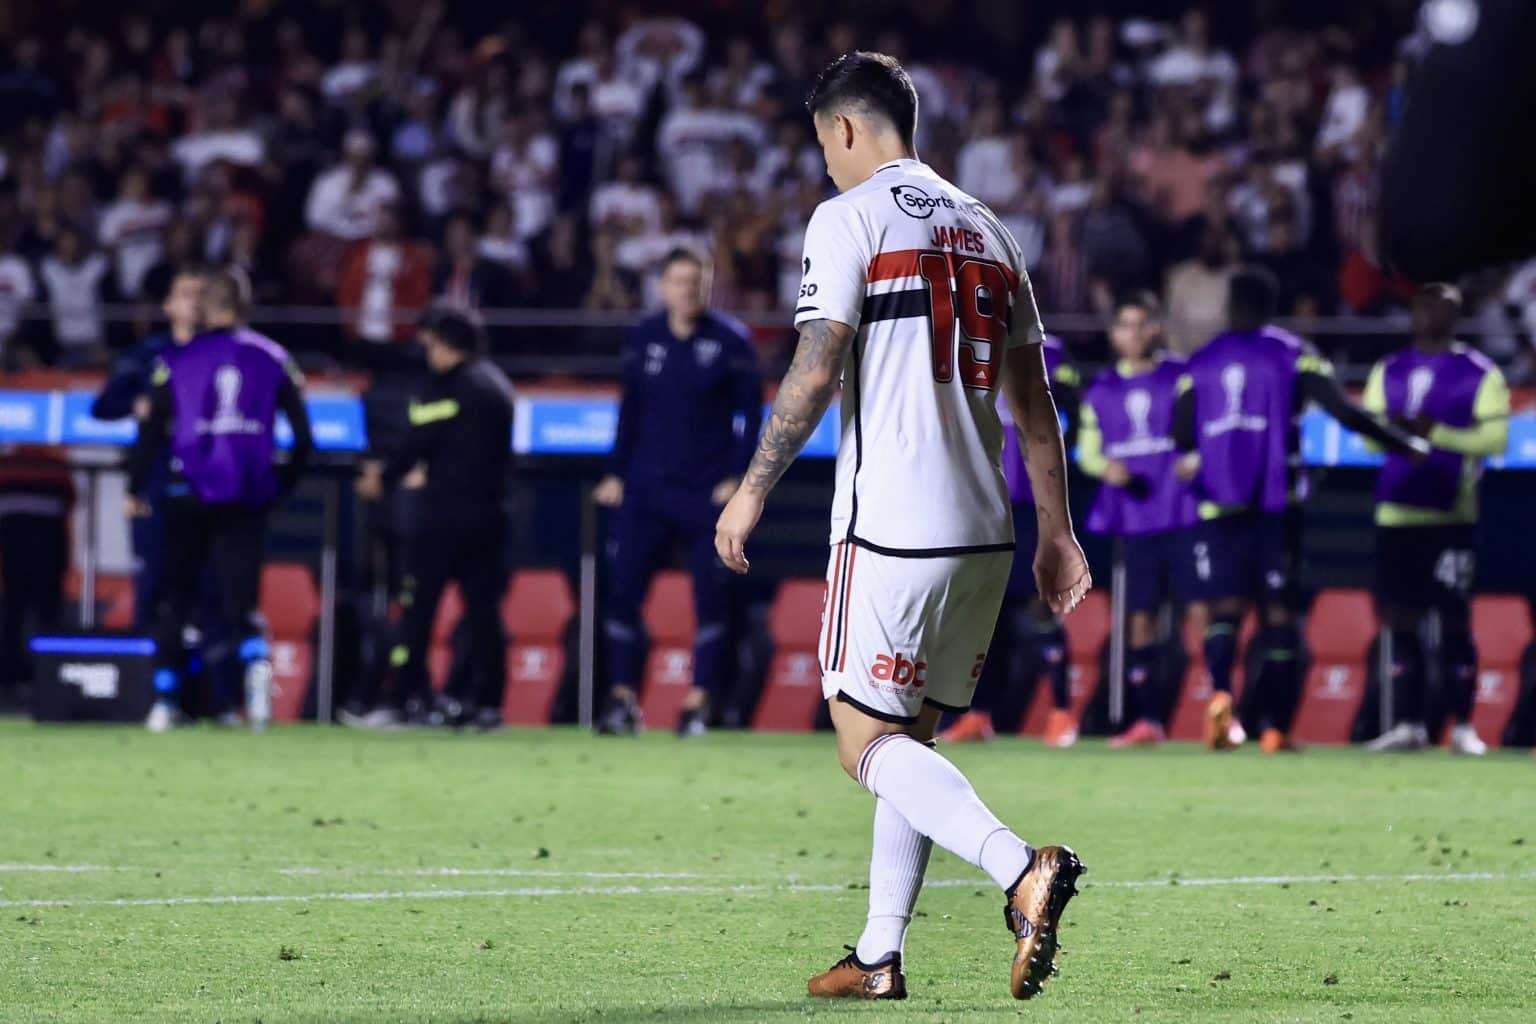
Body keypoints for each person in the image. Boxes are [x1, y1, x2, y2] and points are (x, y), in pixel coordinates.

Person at [714, 52, 1091, 1002]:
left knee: (859, 743)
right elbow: (1034, 400)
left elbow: (815, 363)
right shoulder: (990, 228)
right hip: (985, 528)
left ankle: (1018, 868)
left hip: (890, 525)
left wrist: (755, 485)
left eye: (822, 146)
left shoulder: (849, 217)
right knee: (906, 744)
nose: (826, 165)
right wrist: (1058, 532)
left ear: (844, 129)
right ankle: (879, 955)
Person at [1173, 267, 1428, 754]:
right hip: (1275, 502)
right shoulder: (1292, 354)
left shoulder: (1199, 361)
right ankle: (1275, 728)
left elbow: (1181, 433)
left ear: (1229, 306)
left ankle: (1223, 706)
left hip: (1217, 502)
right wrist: (1403, 444)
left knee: (1224, 610)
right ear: (1271, 307)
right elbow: (1344, 412)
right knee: (1279, 615)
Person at [125, 267, 314, 732]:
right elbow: (306, 439)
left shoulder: (175, 361)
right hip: (246, 495)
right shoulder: (274, 358)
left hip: (186, 491)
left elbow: (151, 434)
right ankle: (256, 691)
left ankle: (165, 702)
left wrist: (132, 486)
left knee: (176, 598)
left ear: (207, 307)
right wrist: (279, 484)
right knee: (240, 602)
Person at [594, 247, 761, 737]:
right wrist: (615, 473)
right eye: (679, 281)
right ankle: (623, 700)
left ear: (707, 286)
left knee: (710, 598)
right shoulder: (643, 337)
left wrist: (740, 479)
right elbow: (629, 412)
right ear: (662, 286)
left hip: (704, 493)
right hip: (645, 488)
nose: (688, 290)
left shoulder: (731, 341)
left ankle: (698, 704)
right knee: (623, 592)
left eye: (697, 281)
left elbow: (750, 417)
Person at [345, 307, 515, 730]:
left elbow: (416, 442)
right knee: (482, 617)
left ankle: (402, 701)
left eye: (431, 344)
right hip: (489, 518)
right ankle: (485, 704)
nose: (427, 353)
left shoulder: (449, 387)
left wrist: (383, 477)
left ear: (447, 344)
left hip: (443, 519)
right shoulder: (497, 384)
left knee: (418, 612)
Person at [1362, 284, 1509, 755]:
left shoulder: (1479, 373)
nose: (1429, 314)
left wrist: (1438, 433)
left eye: (1440, 307)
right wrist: (1397, 435)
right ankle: (1408, 723)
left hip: (1451, 513)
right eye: (1422, 305)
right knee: (1399, 616)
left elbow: (1496, 441)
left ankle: (1463, 726)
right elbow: (1368, 439)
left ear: (1455, 314)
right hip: (1397, 511)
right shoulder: (1389, 369)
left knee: (1453, 618)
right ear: (1410, 313)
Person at [941, 334, 1080, 746]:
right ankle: (977, 716)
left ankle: (1061, 715)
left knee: (1040, 605)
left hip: (1030, 501)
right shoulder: (958, 345)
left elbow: (1074, 413)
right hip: (976, 501)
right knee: (983, 613)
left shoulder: (1050, 351)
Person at [1076, 292, 1199, 748]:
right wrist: (1105, 468)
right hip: (1135, 518)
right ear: (1114, 335)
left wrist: (1197, 460)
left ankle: (1223, 713)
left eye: (1141, 324)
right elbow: (1087, 451)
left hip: (1183, 511)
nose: (1134, 333)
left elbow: (1203, 428)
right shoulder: (1103, 389)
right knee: (1140, 620)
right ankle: (1149, 721)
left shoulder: (1181, 376)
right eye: (1125, 325)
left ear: (1156, 329)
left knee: (1202, 612)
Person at [91, 267, 204, 628]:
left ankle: (195, 676)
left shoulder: (220, 353)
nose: (195, 302)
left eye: (201, 294)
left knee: (200, 585)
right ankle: (146, 670)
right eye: (186, 293)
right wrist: (138, 403)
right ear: (168, 305)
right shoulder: (150, 353)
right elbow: (104, 406)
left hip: (205, 480)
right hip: (154, 477)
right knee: (151, 580)